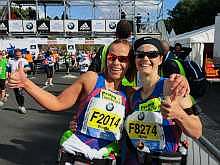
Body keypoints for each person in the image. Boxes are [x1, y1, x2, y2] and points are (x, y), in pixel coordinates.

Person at [124, 37, 202, 165]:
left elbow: (197, 131)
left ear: (160, 59)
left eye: (152, 55)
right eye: (140, 55)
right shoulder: (134, 95)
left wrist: (179, 115)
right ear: (135, 60)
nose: (145, 59)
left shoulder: (173, 88)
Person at [7, 48, 30, 114]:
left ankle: (22, 106)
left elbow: (28, 68)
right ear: (14, 54)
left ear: (21, 54)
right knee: (16, 93)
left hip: (22, 79)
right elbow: (8, 70)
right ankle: (20, 106)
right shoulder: (11, 60)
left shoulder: (24, 60)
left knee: (20, 92)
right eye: (17, 55)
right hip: (14, 79)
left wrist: (22, 69)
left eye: (19, 55)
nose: (18, 56)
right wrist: (7, 77)